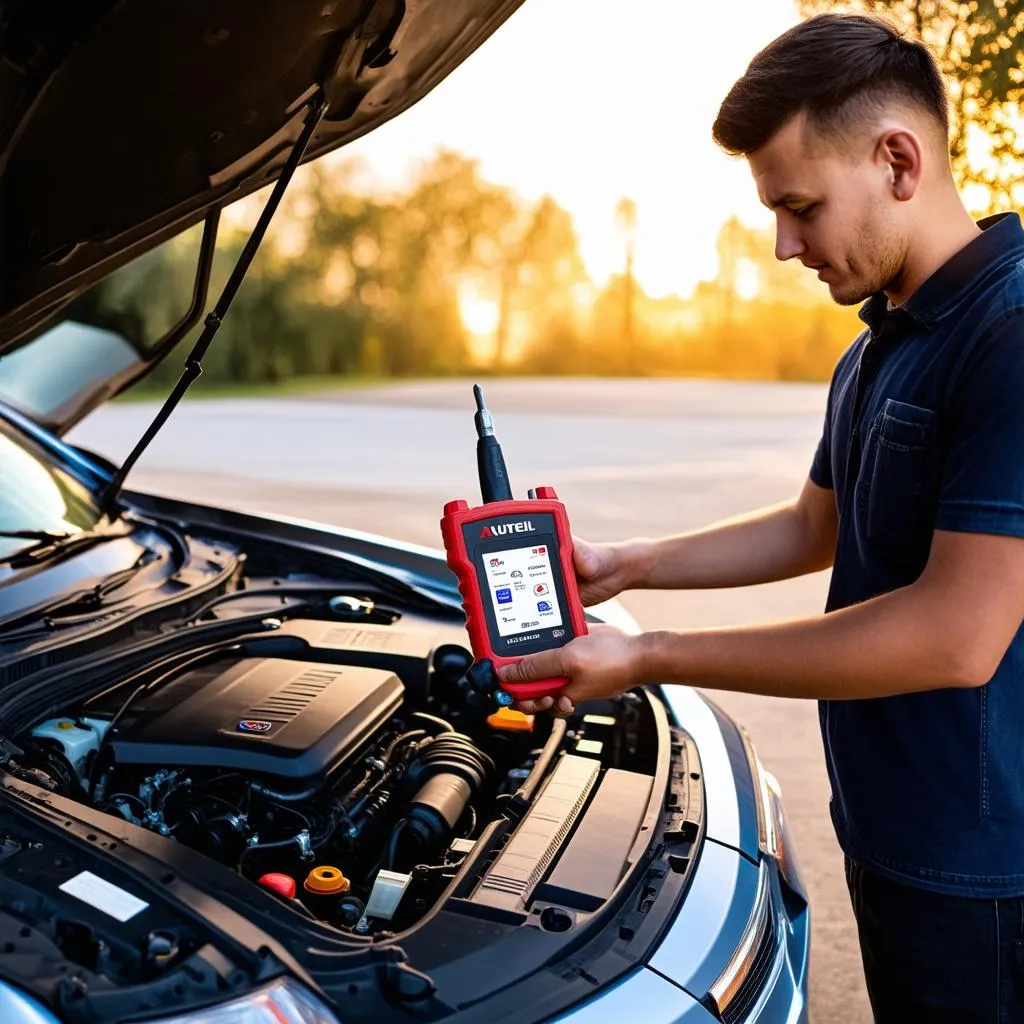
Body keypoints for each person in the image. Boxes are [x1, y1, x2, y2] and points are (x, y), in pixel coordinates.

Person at [498, 12, 1024, 1022]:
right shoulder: (876, 343)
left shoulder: (1007, 335)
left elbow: (957, 635)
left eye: (799, 207)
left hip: (986, 872)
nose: (784, 245)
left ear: (898, 161)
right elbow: (811, 530)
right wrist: (623, 564)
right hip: (892, 835)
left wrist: (647, 655)